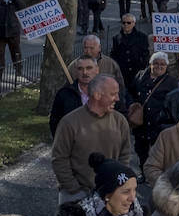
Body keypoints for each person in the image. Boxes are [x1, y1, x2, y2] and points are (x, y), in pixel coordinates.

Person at [51, 75, 132, 204]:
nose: (117, 98)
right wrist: (73, 189)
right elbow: (59, 158)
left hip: (110, 194)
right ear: (97, 95)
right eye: (113, 94)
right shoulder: (69, 122)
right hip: (76, 196)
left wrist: (118, 183)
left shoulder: (120, 121)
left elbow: (125, 154)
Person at [132, 52, 178, 172]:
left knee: (158, 150)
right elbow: (130, 92)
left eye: (162, 64)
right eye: (156, 63)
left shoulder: (171, 82)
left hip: (158, 122)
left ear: (167, 66)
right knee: (141, 149)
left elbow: (174, 102)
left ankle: (156, 173)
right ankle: (143, 171)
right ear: (150, 64)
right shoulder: (140, 76)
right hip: (141, 122)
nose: (159, 66)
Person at [50, 56, 99, 138]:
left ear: (97, 70)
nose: (85, 72)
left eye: (89, 68)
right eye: (80, 69)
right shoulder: (64, 94)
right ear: (76, 72)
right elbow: (55, 122)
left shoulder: (108, 92)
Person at [110, 14, 149, 98]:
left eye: (129, 23)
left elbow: (146, 53)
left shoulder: (142, 37)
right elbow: (114, 54)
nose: (126, 25)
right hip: (123, 73)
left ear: (134, 23)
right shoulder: (116, 38)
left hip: (137, 71)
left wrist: (142, 66)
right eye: (124, 23)